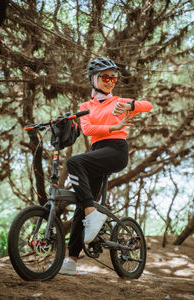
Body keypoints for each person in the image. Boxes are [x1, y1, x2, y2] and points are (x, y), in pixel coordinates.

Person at [59, 57, 153, 275]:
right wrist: (114, 126)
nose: (110, 81)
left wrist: (131, 105)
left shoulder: (119, 101)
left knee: (74, 162)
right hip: (96, 151)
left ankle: (93, 213)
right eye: (105, 77)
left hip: (116, 150)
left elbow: (148, 105)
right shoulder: (85, 106)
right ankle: (71, 261)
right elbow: (88, 130)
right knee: (80, 208)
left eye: (114, 77)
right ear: (94, 79)